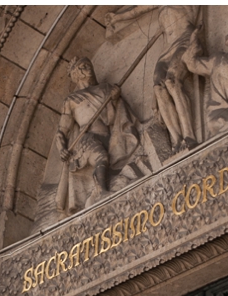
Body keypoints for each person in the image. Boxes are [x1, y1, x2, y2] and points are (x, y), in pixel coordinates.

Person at [106, 6, 199, 152]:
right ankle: (177, 140)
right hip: (166, 50)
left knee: (171, 81)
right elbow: (138, 10)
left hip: (185, 40)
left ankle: (189, 135)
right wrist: (117, 17)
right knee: (158, 88)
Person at [55, 57, 141, 212]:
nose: (87, 68)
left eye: (88, 65)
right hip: (86, 139)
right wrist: (62, 149)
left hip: (108, 136)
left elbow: (111, 119)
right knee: (100, 156)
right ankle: (101, 191)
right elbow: (61, 131)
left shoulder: (106, 89)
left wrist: (114, 100)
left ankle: (103, 187)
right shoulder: (72, 100)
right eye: (82, 66)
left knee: (107, 156)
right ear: (77, 74)